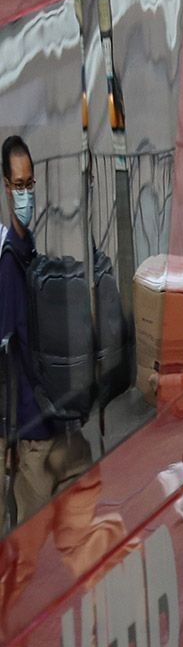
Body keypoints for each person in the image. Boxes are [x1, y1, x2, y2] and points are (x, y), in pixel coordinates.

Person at [0, 137, 91, 523]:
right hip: (33, 437)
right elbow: (6, 352)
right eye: (19, 186)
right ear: (6, 186)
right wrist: (8, 434)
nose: (26, 194)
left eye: (30, 184)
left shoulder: (29, 248)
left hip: (58, 424)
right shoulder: (8, 264)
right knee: (30, 558)